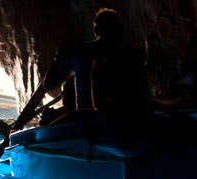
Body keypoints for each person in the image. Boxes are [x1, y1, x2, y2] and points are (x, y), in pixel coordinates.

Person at [13, 8, 149, 129]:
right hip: (132, 117)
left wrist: (59, 60)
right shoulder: (135, 55)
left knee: (45, 122)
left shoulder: (81, 52)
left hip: (88, 119)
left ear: (96, 31)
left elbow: (49, 83)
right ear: (120, 29)